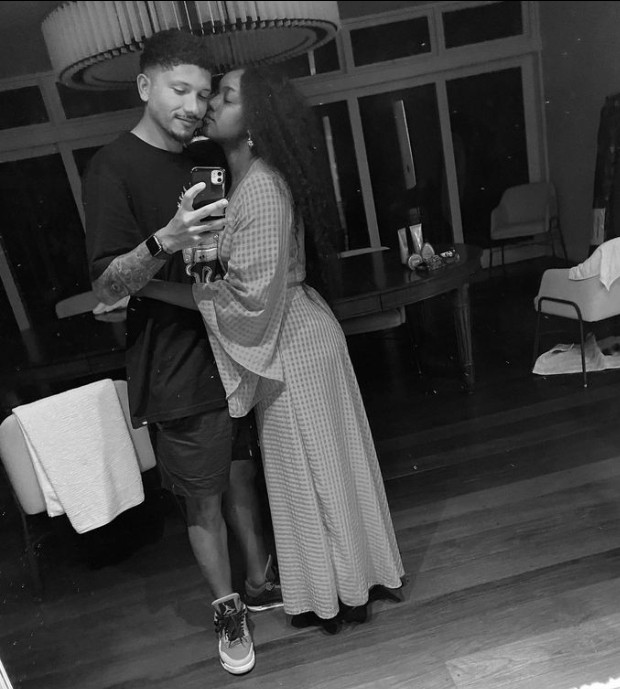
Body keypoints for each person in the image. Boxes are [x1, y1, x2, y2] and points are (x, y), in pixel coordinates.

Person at [138, 65, 405, 626]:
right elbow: (226, 283)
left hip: (292, 347)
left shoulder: (261, 187)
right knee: (318, 469)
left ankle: (341, 594)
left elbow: (250, 299)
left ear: (256, 118)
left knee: (314, 471)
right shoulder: (237, 183)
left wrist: (151, 285)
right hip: (291, 339)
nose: (211, 104)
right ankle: (349, 582)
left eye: (226, 96)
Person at [83, 30, 282, 677]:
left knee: (244, 472)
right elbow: (106, 283)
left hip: (234, 345)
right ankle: (229, 614)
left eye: (203, 94)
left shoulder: (206, 157)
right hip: (175, 363)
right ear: (145, 86)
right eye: (180, 90)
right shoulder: (111, 168)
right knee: (203, 497)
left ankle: (259, 581)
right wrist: (165, 238)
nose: (194, 106)